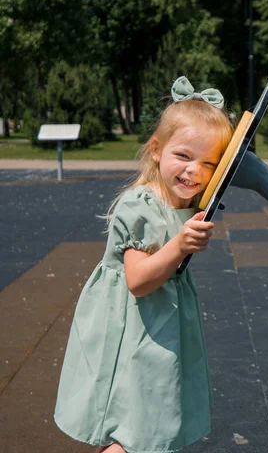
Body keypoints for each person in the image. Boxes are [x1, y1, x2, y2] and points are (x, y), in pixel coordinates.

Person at [54, 76, 234, 453]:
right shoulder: (140, 205)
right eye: (183, 156)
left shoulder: (182, 205)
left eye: (209, 163)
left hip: (158, 324)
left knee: (152, 420)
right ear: (156, 149)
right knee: (133, 429)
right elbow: (137, 279)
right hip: (131, 325)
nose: (194, 172)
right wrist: (179, 245)